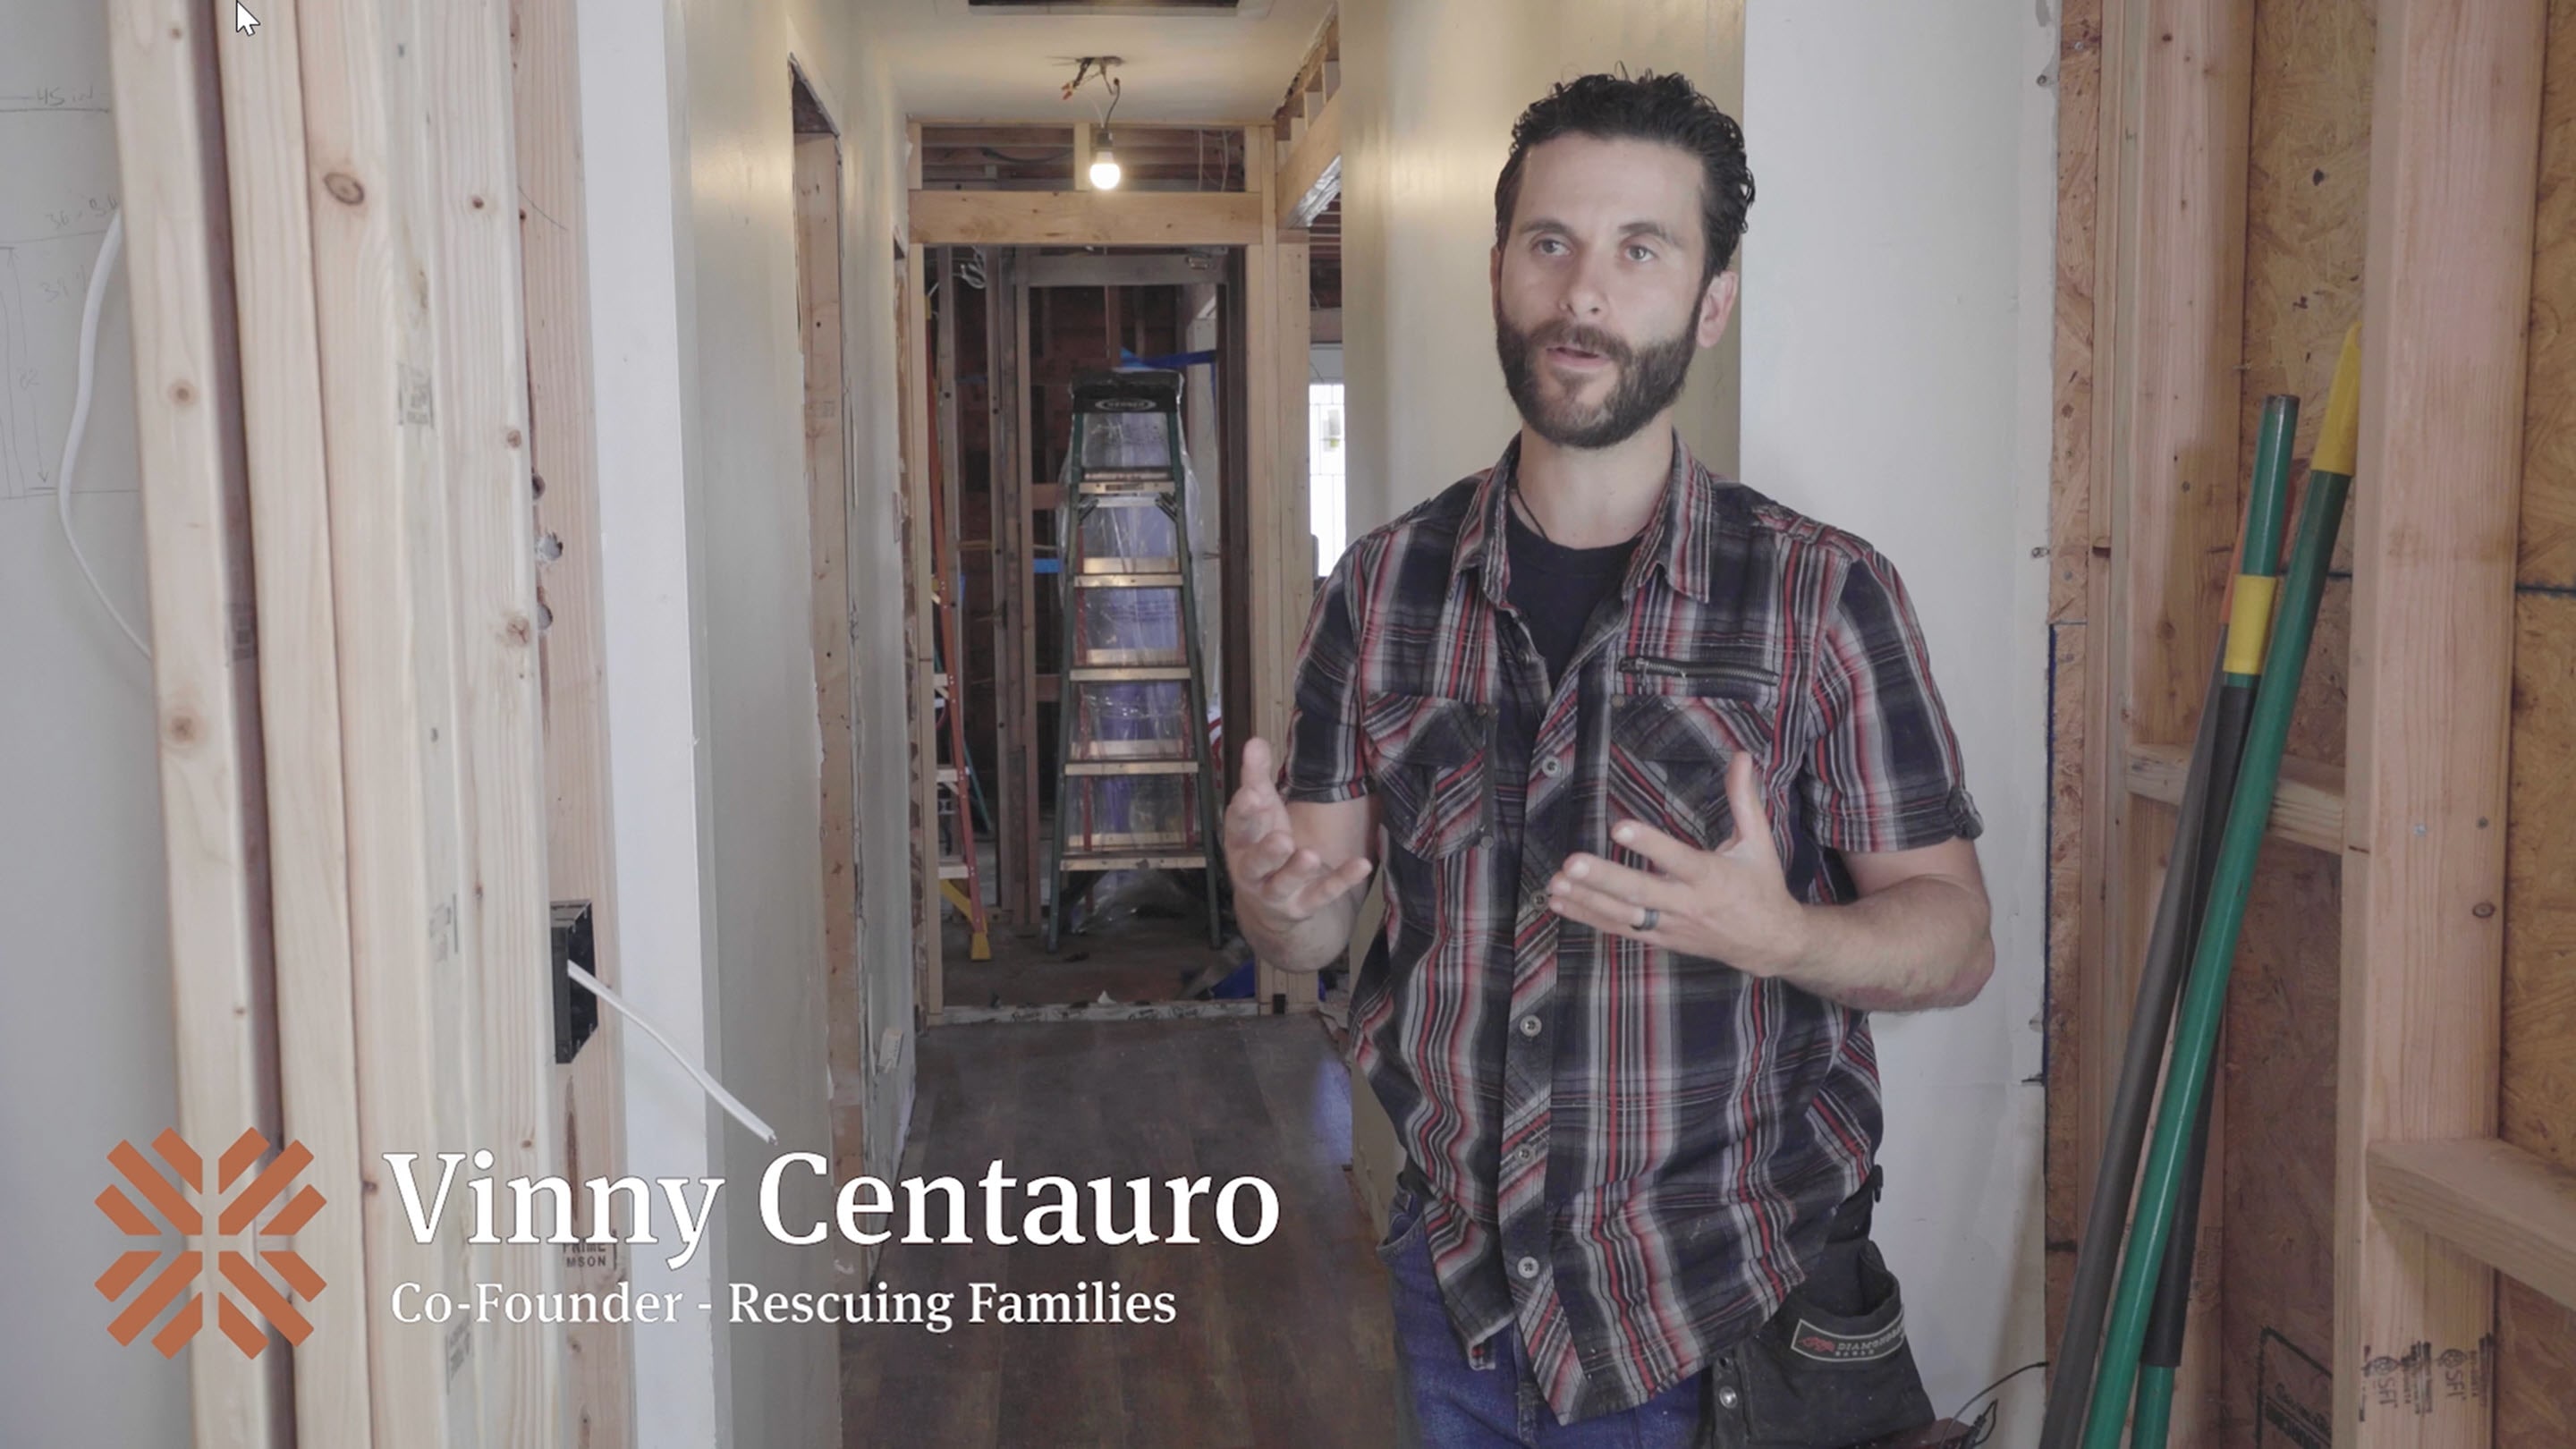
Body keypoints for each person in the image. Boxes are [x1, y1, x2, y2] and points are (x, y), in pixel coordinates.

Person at [1223, 71, 1996, 1449]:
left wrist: (1783, 937)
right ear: (1501, 271)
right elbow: (1324, 911)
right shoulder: (1383, 589)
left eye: (1640, 250)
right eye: (1550, 243)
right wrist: (1285, 905)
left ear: (1711, 302)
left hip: (1723, 1313)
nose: (1583, 292)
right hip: (1454, 1292)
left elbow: (1954, 937)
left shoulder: (1822, 595)